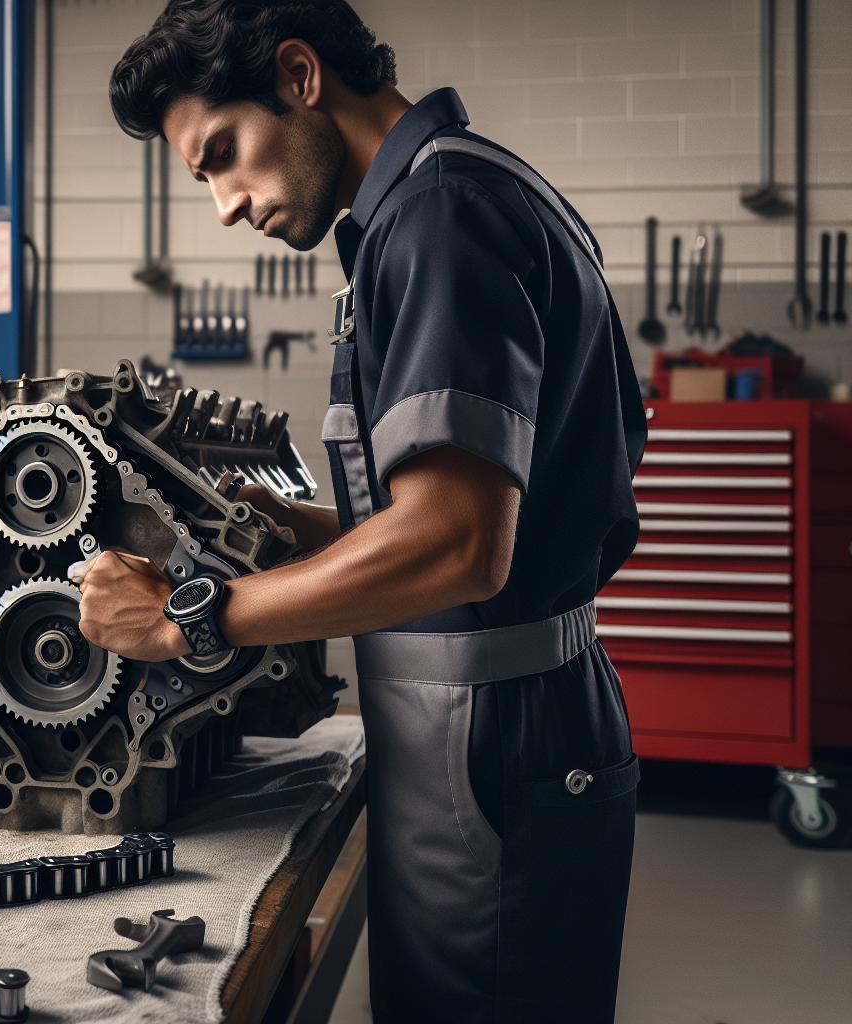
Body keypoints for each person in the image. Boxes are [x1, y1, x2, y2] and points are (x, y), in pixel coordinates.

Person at [84, 3, 646, 1022]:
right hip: (493, 725)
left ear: (299, 77)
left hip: (490, 745)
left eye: (222, 156)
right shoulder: (447, 199)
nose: (222, 204)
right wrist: (292, 536)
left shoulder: (439, 216)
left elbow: (460, 548)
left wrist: (187, 620)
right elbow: (471, 527)